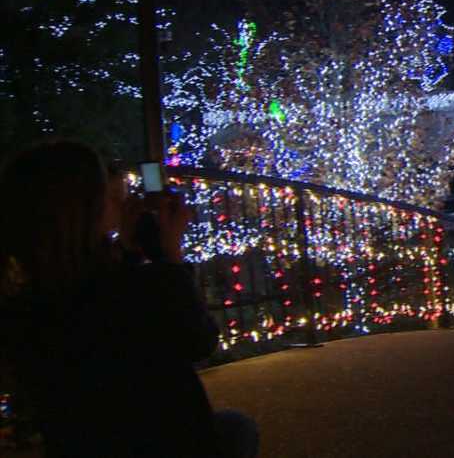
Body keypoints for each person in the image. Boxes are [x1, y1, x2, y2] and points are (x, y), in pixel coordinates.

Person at [0, 141, 259, 457]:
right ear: (86, 209)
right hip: (163, 442)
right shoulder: (132, 289)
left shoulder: (26, 299)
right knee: (237, 428)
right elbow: (199, 341)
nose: (124, 204)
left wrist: (129, 252)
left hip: (77, 442)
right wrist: (171, 258)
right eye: (113, 197)